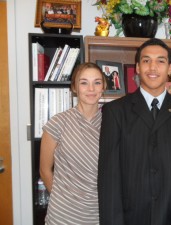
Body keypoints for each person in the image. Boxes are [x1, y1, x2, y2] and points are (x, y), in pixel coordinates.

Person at [98, 38, 171, 225]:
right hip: (128, 218)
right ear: (137, 67)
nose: (153, 67)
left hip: (170, 218)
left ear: (170, 68)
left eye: (160, 61)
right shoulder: (115, 112)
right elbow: (109, 179)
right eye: (146, 61)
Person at [39, 62, 106, 224]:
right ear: (74, 87)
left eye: (97, 82)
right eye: (84, 83)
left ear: (103, 87)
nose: (91, 89)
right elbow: (44, 170)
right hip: (63, 215)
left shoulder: (111, 124)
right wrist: (62, 198)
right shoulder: (58, 122)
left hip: (99, 215)